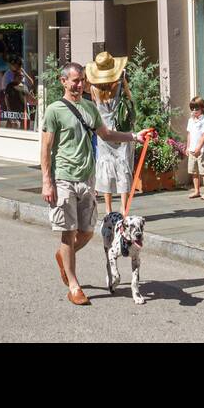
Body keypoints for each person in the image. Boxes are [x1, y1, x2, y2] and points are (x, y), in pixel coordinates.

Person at [41, 61, 149, 306]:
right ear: (63, 82)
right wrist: (47, 182)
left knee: (88, 233)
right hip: (63, 178)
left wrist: (134, 136)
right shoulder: (54, 110)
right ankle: (74, 285)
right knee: (68, 234)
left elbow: (107, 134)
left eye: (82, 80)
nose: (79, 85)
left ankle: (63, 259)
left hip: (87, 179)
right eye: (75, 81)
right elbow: (45, 149)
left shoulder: (89, 107)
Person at [85, 52, 134, 216]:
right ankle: (123, 207)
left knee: (105, 165)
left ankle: (108, 209)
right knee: (123, 165)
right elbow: (130, 99)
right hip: (120, 129)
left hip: (103, 130)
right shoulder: (119, 83)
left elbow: (94, 107)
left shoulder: (93, 88)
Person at [185, 96, 204, 200]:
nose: (194, 111)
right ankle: (196, 191)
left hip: (201, 151)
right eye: (192, 109)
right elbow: (189, 134)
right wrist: (188, 147)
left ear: (203, 108)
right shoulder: (190, 121)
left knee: (203, 172)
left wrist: (199, 148)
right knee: (194, 172)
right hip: (191, 150)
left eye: (197, 109)